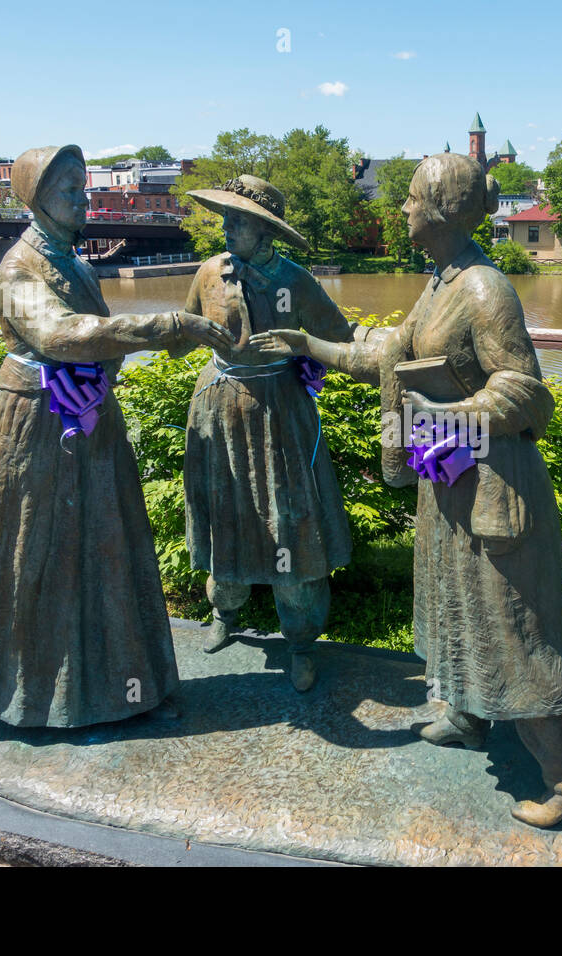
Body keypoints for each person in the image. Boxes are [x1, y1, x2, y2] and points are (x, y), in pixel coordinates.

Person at [251, 153, 562, 827]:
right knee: (457, 610)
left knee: (515, 630)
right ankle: (468, 715)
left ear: (436, 212)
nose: (401, 210)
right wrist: (308, 344)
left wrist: (445, 420)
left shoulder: (485, 289)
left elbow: (524, 393)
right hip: (451, 481)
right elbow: (386, 353)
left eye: (409, 199)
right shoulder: (440, 282)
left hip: (493, 484)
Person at [0, 144, 231, 728]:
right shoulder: (15, 270)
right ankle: (30, 699)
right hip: (36, 425)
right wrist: (168, 325)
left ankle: (113, 689)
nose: (83, 199)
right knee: (35, 549)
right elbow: (60, 334)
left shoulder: (77, 263)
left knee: (106, 544)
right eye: (69, 190)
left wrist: (109, 366)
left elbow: (98, 340)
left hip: (92, 421)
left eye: (84, 187)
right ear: (34, 197)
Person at [180, 177, 355, 692]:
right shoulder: (210, 272)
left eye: (238, 219)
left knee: (291, 525)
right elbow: (185, 326)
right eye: (226, 217)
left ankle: (301, 642)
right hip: (218, 406)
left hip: (280, 412)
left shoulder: (296, 281)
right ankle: (225, 614)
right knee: (226, 513)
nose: (227, 226)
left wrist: (304, 351)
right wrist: (180, 333)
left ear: (264, 228)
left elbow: (339, 338)